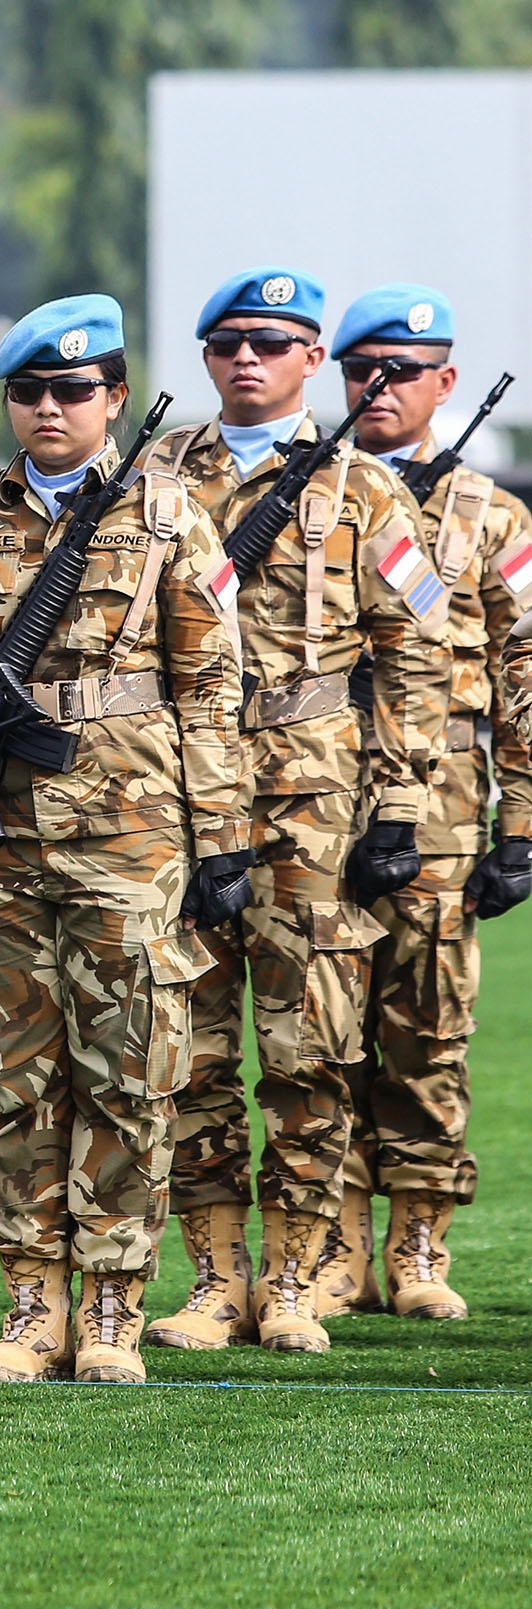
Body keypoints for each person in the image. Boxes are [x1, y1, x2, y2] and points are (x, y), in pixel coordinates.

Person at [0, 294, 249, 1384]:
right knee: (16, 1080)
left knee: (127, 1078)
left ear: (114, 398)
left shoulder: (167, 513)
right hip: (1, 845)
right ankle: (31, 1304)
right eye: (28, 390)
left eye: (73, 390)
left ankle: (112, 1306)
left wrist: (221, 839)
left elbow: (212, 687)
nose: (48, 408)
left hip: (131, 840)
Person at [142, 268, 444, 1355]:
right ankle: (216, 1279)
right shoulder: (150, 476)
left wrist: (399, 807)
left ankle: (297, 1276)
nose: (245, 360)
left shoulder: (365, 490)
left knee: (310, 1047)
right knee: (190, 1045)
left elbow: (418, 653)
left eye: (271, 343)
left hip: (311, 799)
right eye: (225, 342)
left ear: (311, 358)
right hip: (177, 795)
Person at [333, 284, 531, 1321]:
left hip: (445, 811)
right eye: (359, 370)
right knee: (315, 1036)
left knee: (426, 1028)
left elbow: (525, 669)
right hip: (313, 798)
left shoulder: (491, 514)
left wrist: (523, 826)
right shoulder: (302, 499)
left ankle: (417, 1242)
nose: (377, 388)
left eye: (400, 371)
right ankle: (331, 1247)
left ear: (444, 383)